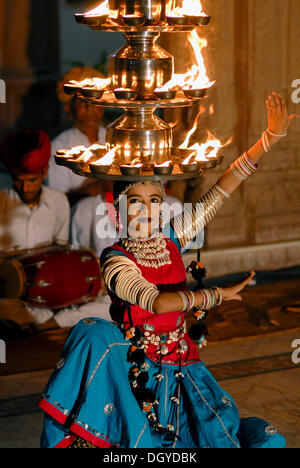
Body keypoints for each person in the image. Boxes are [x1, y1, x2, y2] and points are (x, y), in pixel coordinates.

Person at [39, 93, 297, 448]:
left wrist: (269, 139)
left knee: (223, 437)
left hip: (183, 364)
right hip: (138, 371)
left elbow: (222, 191)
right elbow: (156, 303)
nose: (147, 210)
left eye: (155, 201)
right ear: (118, 209)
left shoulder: (172, 239)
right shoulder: (116, 260)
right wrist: (215, 294)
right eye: (136, 202)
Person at [0, 129, 111, 336]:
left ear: (44, 173)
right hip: (10, 297)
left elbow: (60, 253)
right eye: (19, 180)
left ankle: (43, 323)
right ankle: (45, 324)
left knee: (106, 304)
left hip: (49, 299)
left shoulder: (58, 201)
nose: (24, 187)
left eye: (31, 180)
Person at [47, 66, 107, 206]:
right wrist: (98, 186)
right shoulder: (60, 147)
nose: (90, 107)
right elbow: (59, 200)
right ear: (69, 110)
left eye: (94, 101)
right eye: (83, 102)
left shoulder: (114, 138)